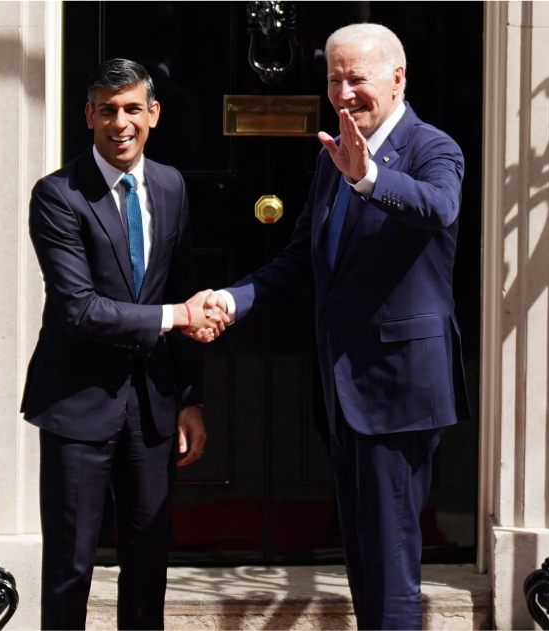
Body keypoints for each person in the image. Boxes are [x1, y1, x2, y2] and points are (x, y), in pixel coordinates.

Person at [202, 24, 471, 630]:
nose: (344, 92)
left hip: (399, 389)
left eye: (358, 78)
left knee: (393, 559)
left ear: (397, 78)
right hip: (343, 388)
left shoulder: (433, 148)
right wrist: (232, 299)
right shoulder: (334, 158)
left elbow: (439, 207)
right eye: (334, 79)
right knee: (363, 558)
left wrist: (368, 178)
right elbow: (301, 259)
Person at [22, 58, 227, 630]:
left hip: (153, 406)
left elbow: (182, 284)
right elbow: (80, 308)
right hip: (77, 404)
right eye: (108, 110)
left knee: (148, 564)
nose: (121, 123)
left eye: (133, 109)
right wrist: (177, 315)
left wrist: (190, 398)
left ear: (154, 114)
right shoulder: (58, 195)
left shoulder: (171, 185)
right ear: (88, 115)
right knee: (71, 566)